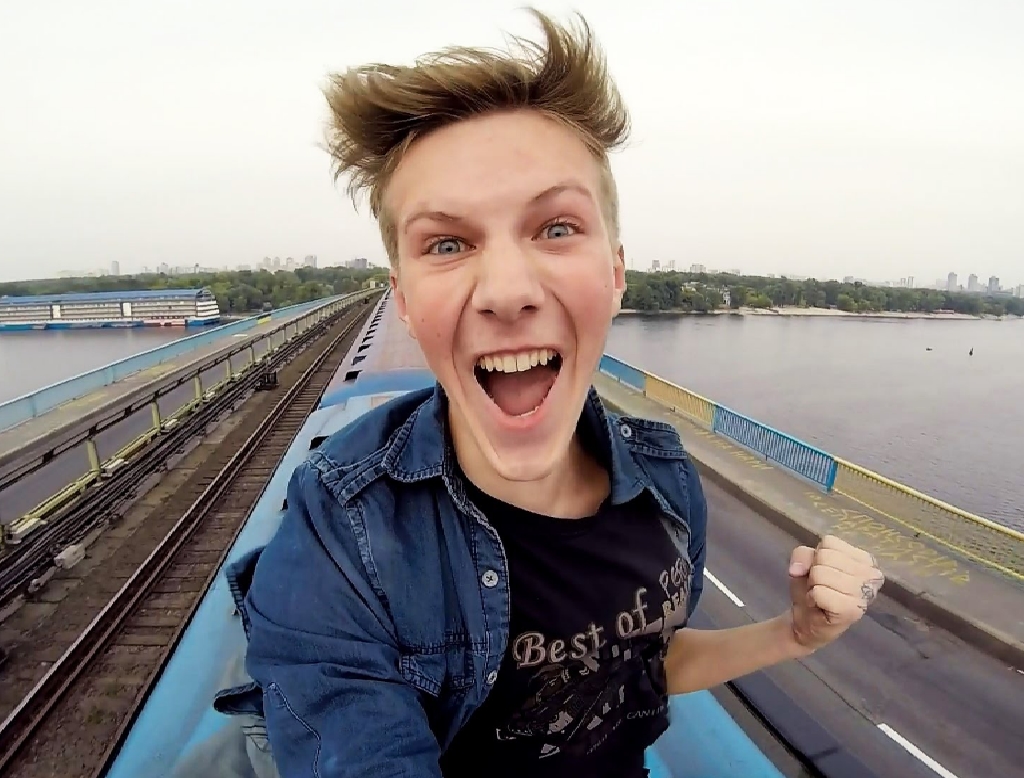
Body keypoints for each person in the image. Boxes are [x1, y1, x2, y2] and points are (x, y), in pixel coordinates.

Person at [229, 9, 885, 778]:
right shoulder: (340, 532)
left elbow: (637, 672)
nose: (507, 291)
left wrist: (793, 635)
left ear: (614, 274)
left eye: (556, 228)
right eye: (447, 244)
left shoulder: (668, 485)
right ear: (403, 302)